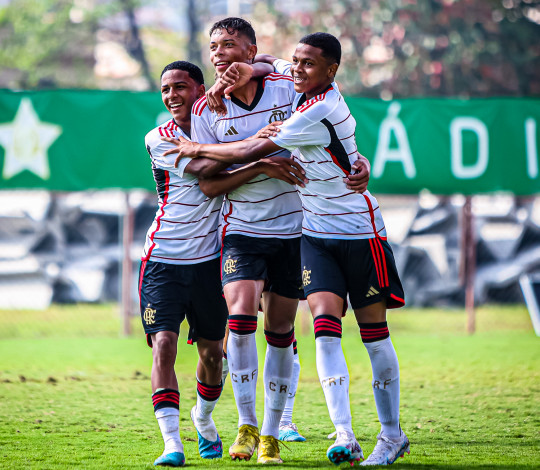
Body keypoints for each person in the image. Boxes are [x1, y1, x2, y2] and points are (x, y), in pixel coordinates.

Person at [163, 32, 409, 467]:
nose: (220, 54)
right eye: (214, 46)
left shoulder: (299, 97)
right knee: (287, 326)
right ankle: (321, 432)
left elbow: (260, 141)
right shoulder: (240, 93)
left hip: (331, 230)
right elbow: (209, 175)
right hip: (292, 233)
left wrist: (200, 146)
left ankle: (379, 434)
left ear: (250, 49)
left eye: (230, 45)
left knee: (355, 335)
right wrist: (244, 85)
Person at [140, 60, 305, 467]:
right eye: (165, 90)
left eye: (180, 87)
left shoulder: (219, 125)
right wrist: (262, 156)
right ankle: (172, 444)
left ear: (201, 90)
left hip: (211, 259)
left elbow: (274, 66)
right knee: (164, 344)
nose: (172, 96)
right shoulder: (159, 138)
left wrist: (255, 70)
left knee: (215, 354)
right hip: (162, 257)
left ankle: (205, 418)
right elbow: (205, 171)